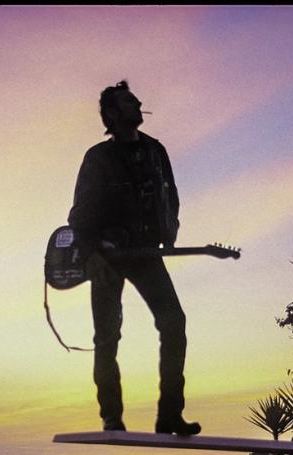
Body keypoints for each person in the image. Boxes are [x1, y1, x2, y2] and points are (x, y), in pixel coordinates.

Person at [67, 80, 201, 436]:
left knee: (174, 322)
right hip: (107, 259)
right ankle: (112, 418)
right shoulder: (97, 158)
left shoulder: (156, 152)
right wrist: (93, 255)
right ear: (112, 114)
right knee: (107, 338)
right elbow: (79, 217)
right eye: (129, 101)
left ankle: (170, 416)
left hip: (145, 254)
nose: (139, 102)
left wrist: (167, 235)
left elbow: (170, 196)